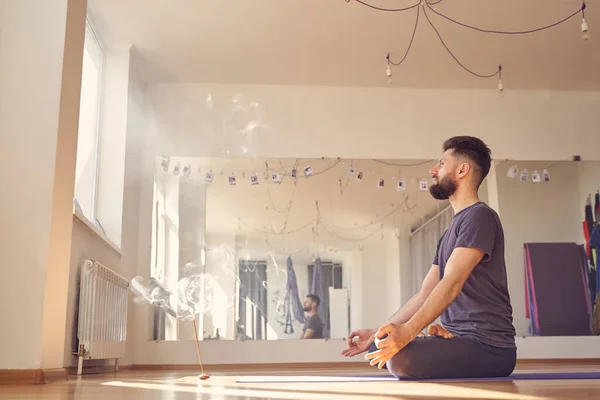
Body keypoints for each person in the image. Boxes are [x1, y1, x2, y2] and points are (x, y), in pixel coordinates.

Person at [342, 136, 517, 380]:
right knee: (381, 345)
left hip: (489, 346)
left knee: (399, 359)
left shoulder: (480, 217)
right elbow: (425, 292)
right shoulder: (450, 232)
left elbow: (453, 281)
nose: (433, 171)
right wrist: (376, 333)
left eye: (441, 164)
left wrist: (409, 332)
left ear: (462, 170)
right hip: (458, 338)